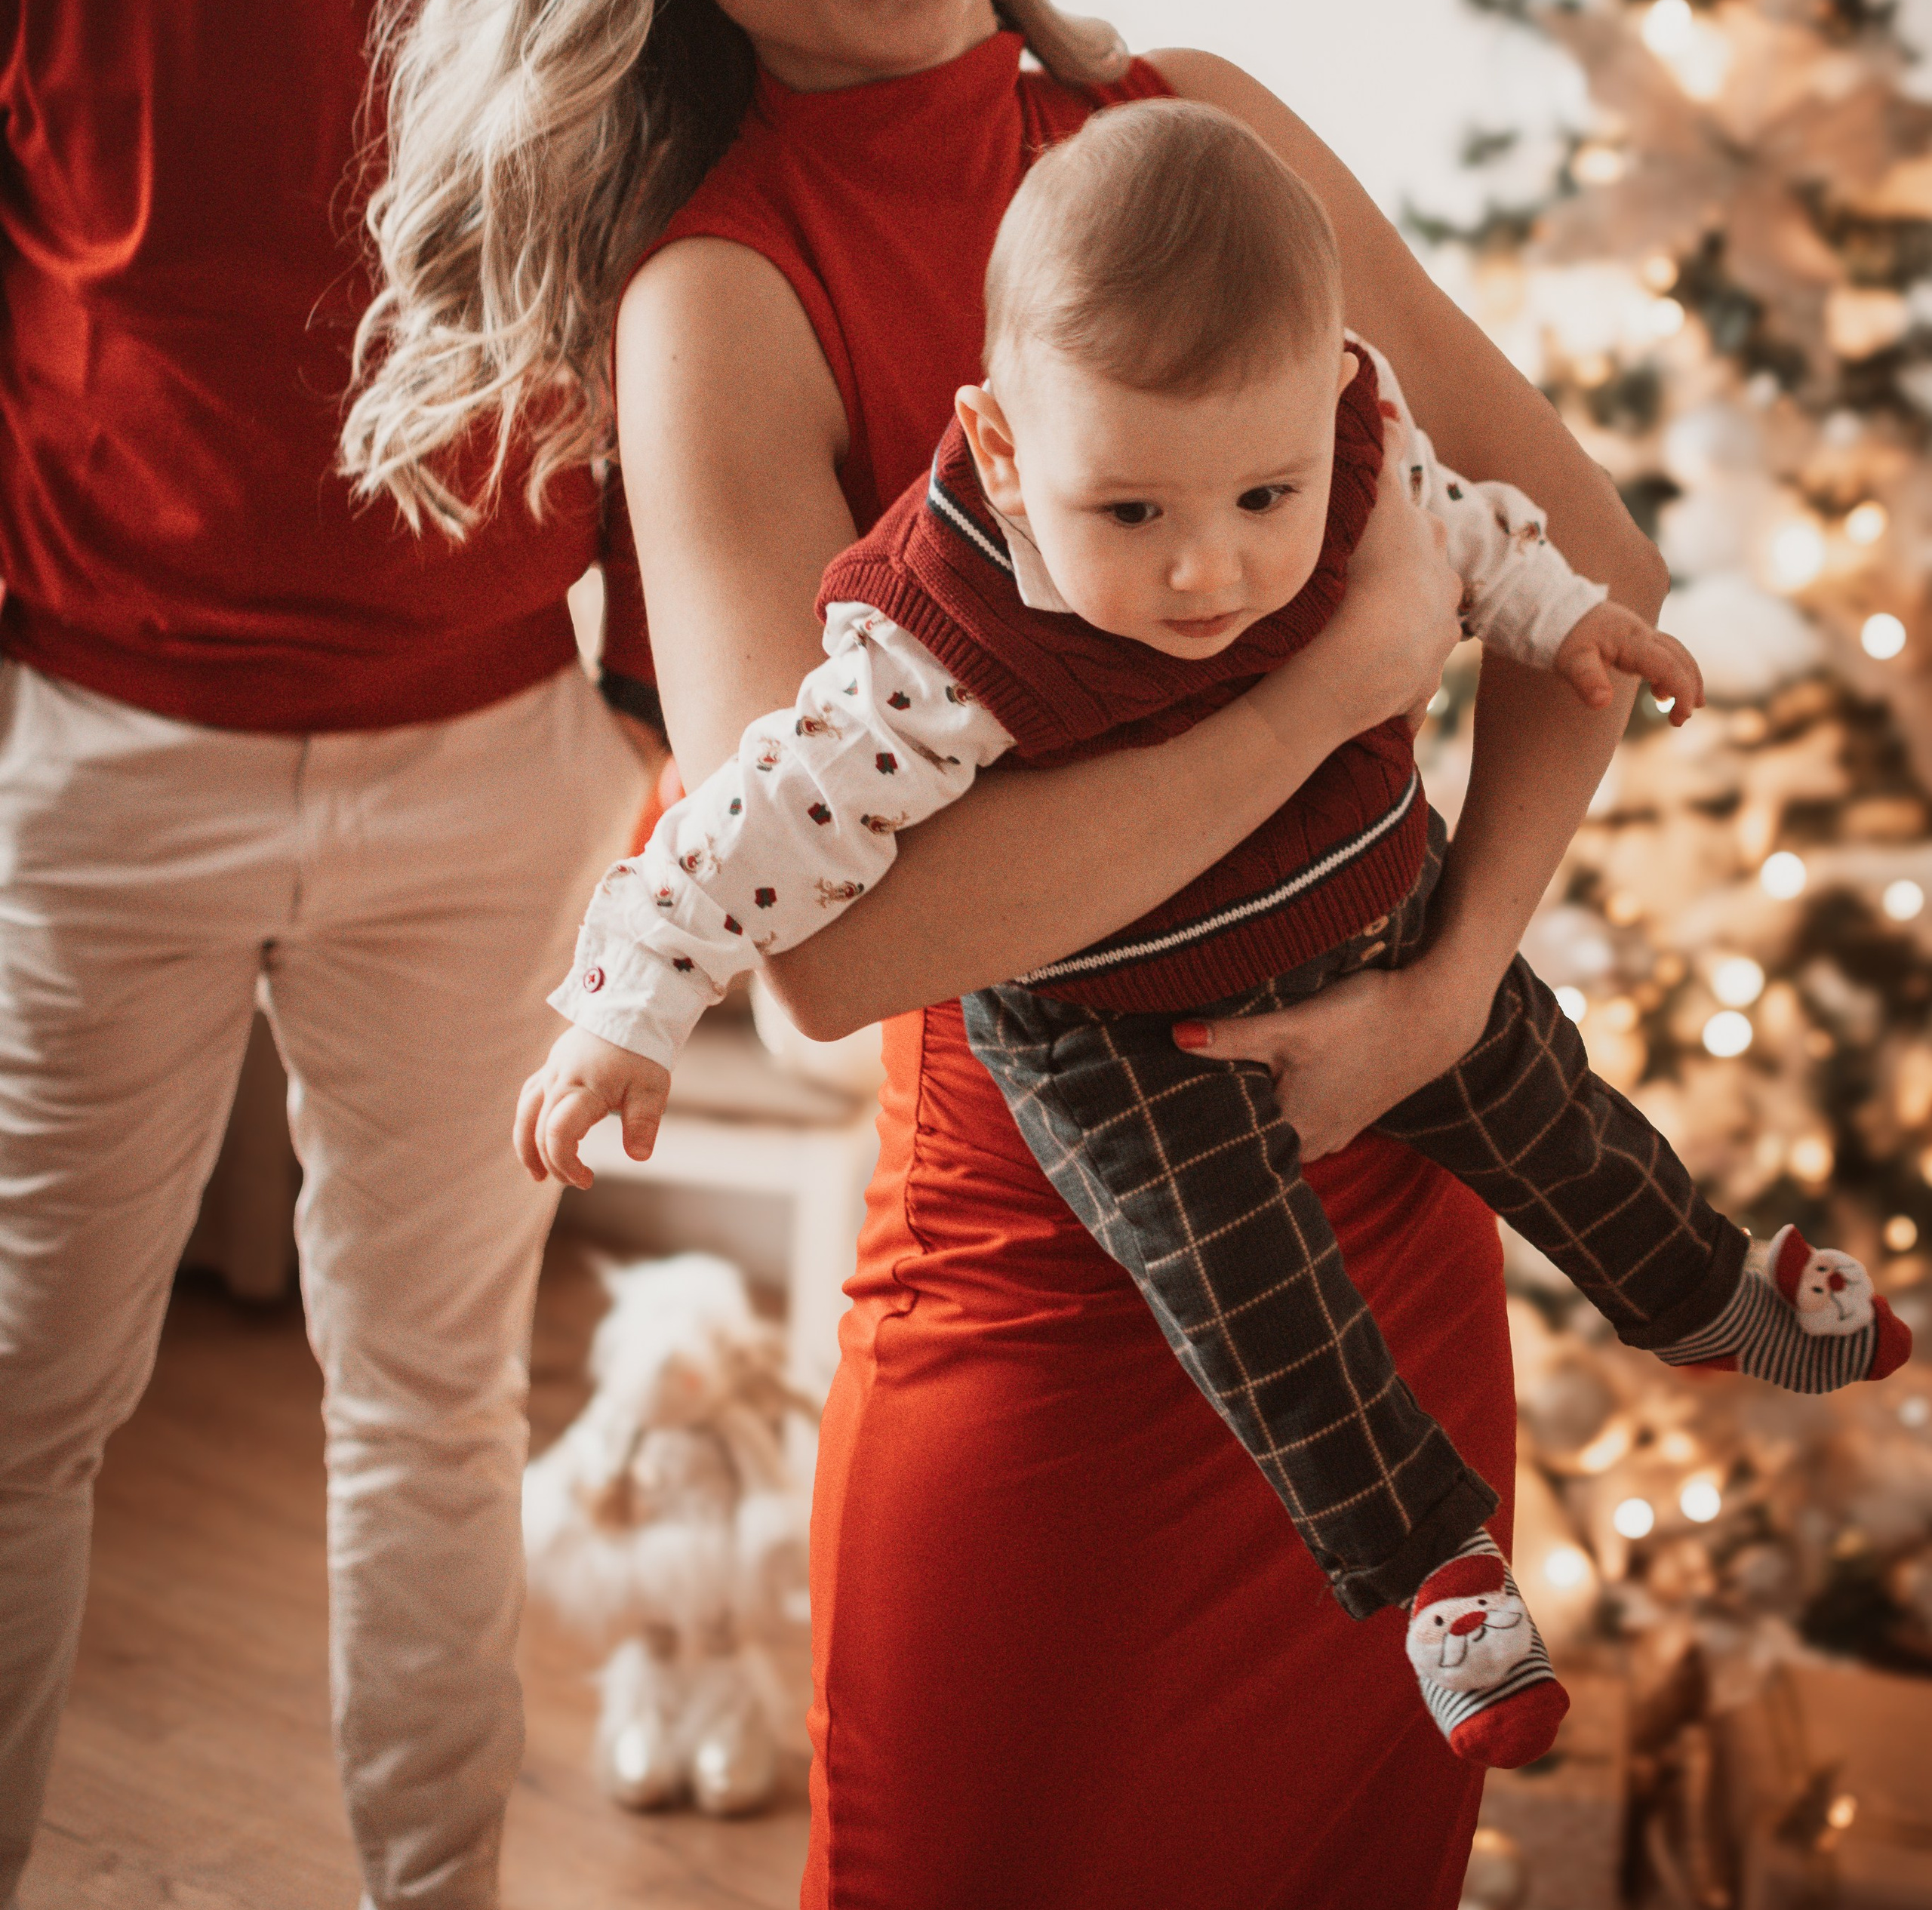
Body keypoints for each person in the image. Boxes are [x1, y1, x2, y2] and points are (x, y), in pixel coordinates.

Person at [346, 0, 1667, 1910]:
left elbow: (1590, 573)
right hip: (1048, 1302)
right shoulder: (720, 296)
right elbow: (840, 949)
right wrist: (1318, 699)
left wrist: (1448, 990)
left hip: (1384, 1233)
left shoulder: (1200, 133)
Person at [518, 95, 1905, 1776]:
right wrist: (630, 1002)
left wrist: (1568, 620)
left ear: (1330, 398)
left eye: (1263, 495)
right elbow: (765, 820)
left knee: (1539, 1086)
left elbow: (1469, 529)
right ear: (1005, 452)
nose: (1209, 570)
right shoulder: (945, 635)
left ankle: (1699, 1292)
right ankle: (1437, 1574)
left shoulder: (1342, 448)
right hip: (1127, 1035)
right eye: (1133, 516)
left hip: (1369, 907)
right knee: (1252, 1295)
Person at [0, 0, 652, 1910]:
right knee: (25, 1393)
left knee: (433, 1389)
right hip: (101, 750)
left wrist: (663, 694)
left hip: (486, 753)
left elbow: (678, 252)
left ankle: (440, 1909)